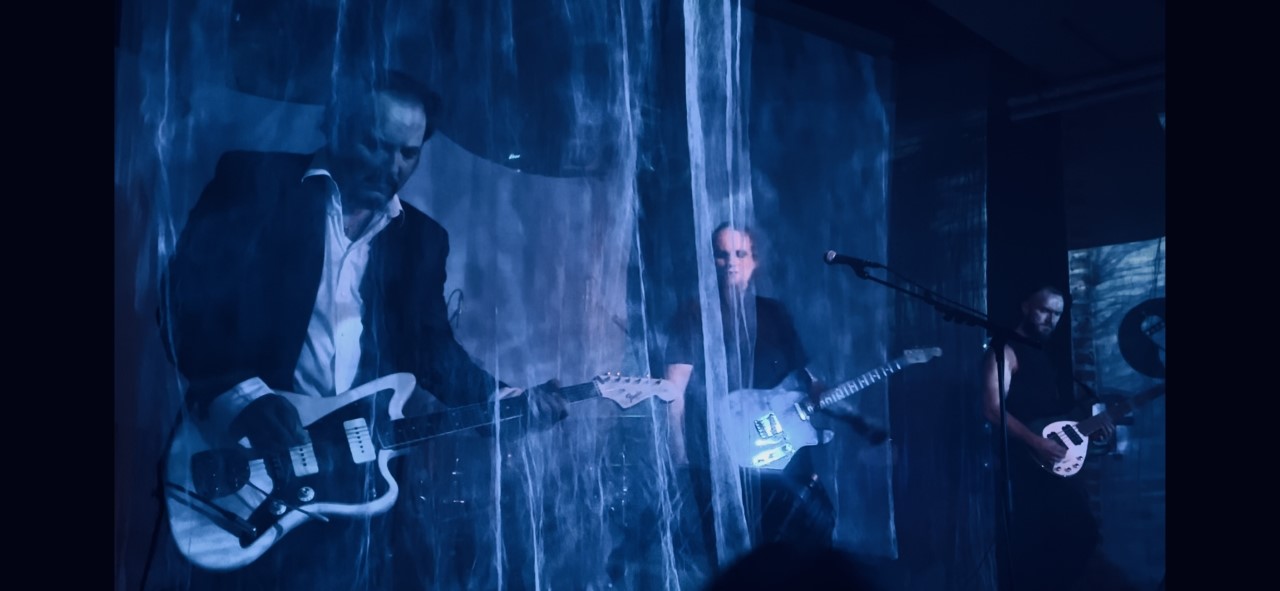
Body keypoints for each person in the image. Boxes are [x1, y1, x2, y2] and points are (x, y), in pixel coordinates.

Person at [161, 69, 567, 590]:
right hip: (241, 461)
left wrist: (505, 400)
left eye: (408, 153)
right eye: (375, 144)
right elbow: (183, 304)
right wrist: (246, 399)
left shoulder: (421, 240)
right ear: (335, 125)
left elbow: (432, 351)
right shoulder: (253, 184)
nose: (391, 166)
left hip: (353, 487)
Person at [662, 222, 836, 568]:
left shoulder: (774, 313)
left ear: (754, 261)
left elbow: (804, 378)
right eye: (721, 254)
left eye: (740, 253)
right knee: (741, 559)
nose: (731, 262)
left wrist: (836, 403)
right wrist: (679, 460)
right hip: (723, 459)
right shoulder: (692, 315)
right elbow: (673, 392)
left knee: (810, 537)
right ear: (711, 261)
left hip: (783, 453)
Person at [982, 285, 1115, 591]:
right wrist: (1037, 443)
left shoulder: (1045, 357)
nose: (1050, 319)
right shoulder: (1004, 351)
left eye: (1057, 314)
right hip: (1024, 465)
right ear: (1025, 307)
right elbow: (992, 409)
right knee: (1042, 544)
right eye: (1044, 310)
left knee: (1080, 535)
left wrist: (1088, 432)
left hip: (1053, 464)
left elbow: (1053, 418)